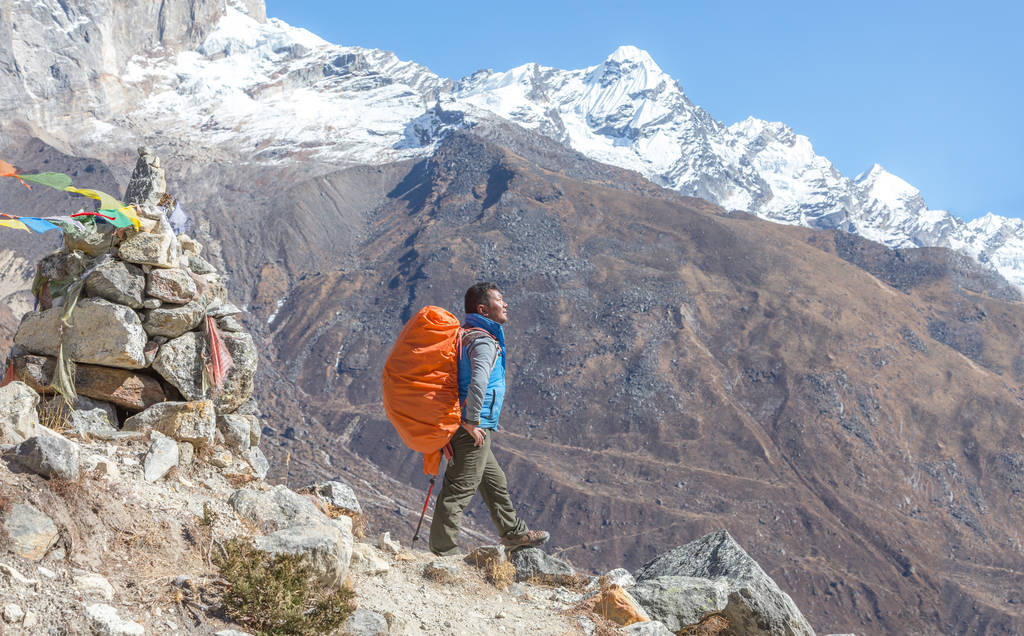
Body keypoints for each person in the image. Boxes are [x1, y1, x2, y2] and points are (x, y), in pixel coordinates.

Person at [428, 282, 550, 555]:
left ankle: (514, 533)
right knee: (459, 490)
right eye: (499, 300)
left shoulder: (469, 335)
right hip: (473, 426)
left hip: (471, 424)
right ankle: (442, 553)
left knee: (494, 481)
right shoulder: (483, 341)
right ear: (483, 309)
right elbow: (479, 381)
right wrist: (471, 422)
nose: (505, 304)